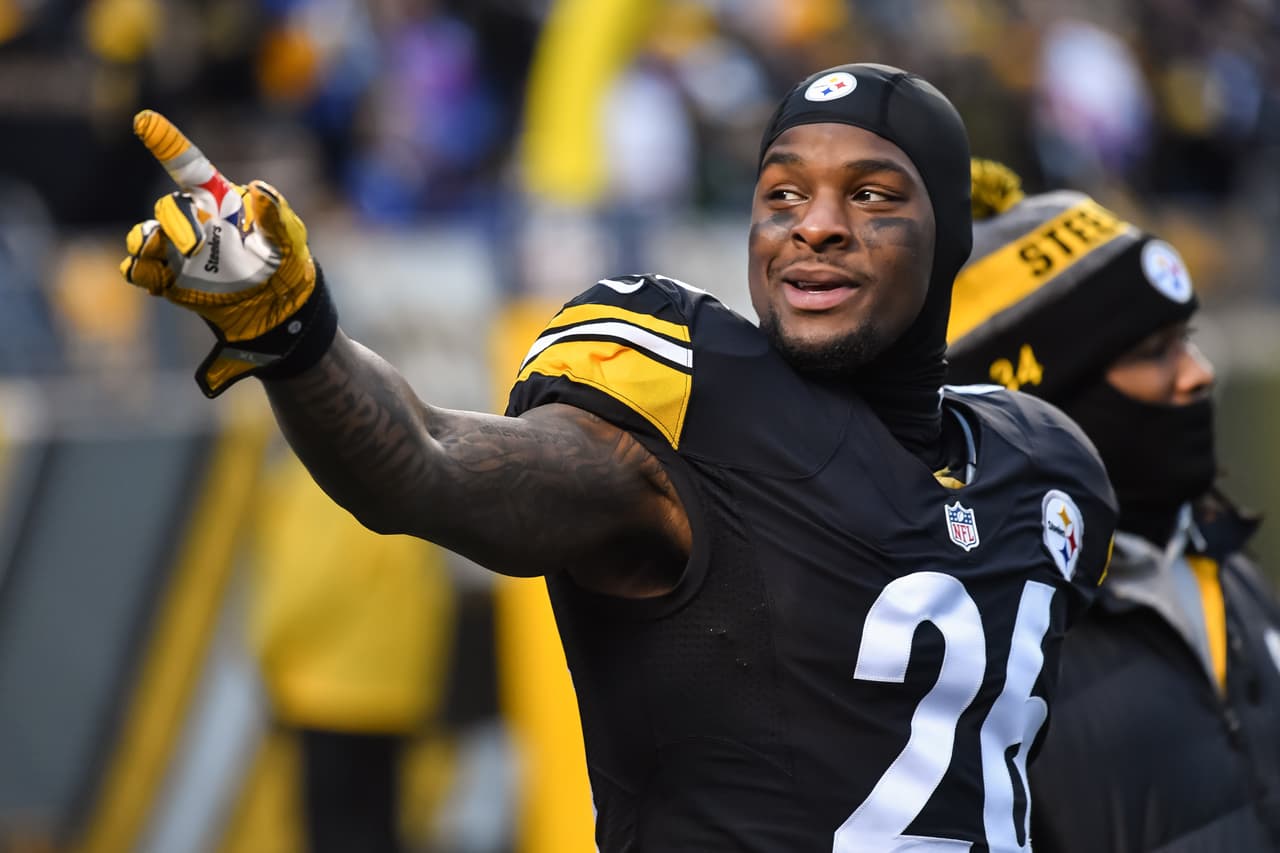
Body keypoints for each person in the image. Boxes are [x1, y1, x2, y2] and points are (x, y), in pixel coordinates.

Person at [118, 64, 1117, 850]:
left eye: (871, 195)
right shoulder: (689, 416)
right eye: (780, 195)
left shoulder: (1041, 466)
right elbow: (425, 462)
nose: (815, 225)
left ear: (946, 238)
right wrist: (298, 337)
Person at [948, 160, 1280, 852]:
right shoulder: (991, 652)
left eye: (1186, 338)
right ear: (1046, 404)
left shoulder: (1221, 562)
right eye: (1154, 352)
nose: (1199, 373)